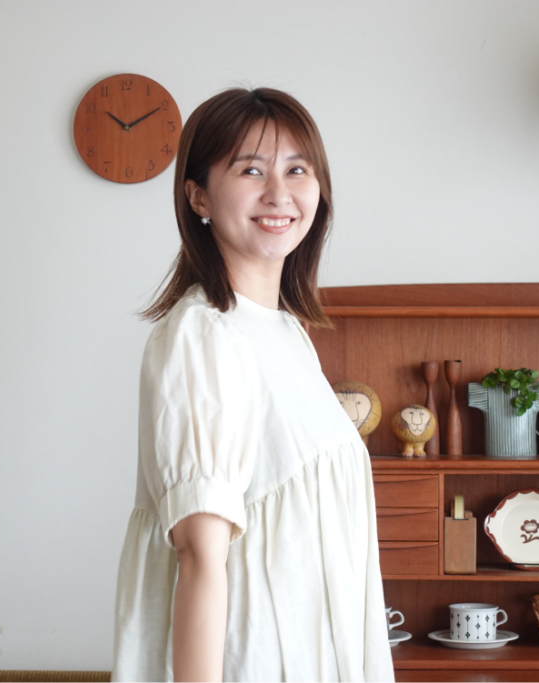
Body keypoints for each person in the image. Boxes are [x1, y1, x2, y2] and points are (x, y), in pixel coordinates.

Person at [111, 87, 395, 683]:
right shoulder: (203, 335)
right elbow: (199, 555)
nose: (279, 193)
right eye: (250, 170)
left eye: (297, 169)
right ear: (198, 196)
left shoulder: (286, 332)